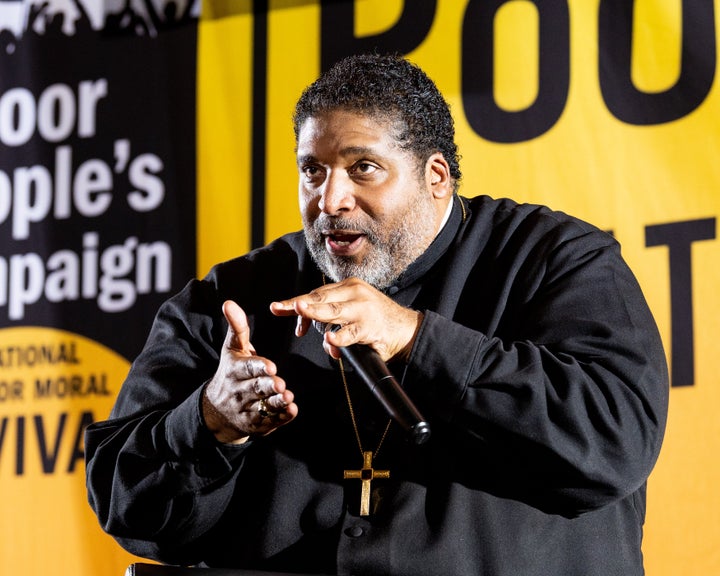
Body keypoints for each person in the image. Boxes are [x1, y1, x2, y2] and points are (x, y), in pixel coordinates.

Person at [85, 53, 669, 576]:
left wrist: (415, 337)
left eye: (362, 168)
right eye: (313, 170)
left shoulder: (555, 260)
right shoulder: (232, 297)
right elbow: (121, 503)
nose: (329, 199)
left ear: (435, 176)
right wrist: (212, 420)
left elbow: (616, 439)